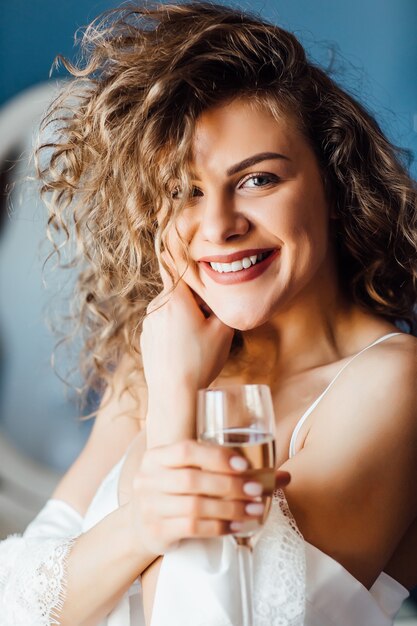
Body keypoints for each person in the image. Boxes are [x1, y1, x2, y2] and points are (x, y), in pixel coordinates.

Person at [1, 2, 416, 625]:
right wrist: (146, 514)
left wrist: (176, 406)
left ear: (333, 185)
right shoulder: (160, 360)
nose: (219, 226)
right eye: (183, 191)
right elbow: (15, 605)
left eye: (257, 181)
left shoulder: (391, 384)